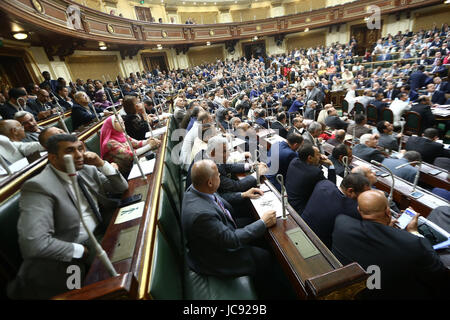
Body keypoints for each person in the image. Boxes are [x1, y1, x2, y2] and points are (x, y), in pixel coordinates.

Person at [7, 134, 128, 299]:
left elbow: (121, 186)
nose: (79, 155)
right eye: (70, 151)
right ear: (53, 157)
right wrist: (80, 251)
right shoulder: (38, 187)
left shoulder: (87, 169)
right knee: (125, 271)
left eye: (80, 148)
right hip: (71, 254)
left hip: (101, 231)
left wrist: (101, 163)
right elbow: (33, 244)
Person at [182, 159, 291, 299]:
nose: (220, 177)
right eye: (218, 176)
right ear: (210, 182)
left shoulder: (197, 189)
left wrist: (244, 194)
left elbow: (220, 199)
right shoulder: (201, 215)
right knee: (264, 257)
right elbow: (231, 240)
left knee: (256, 228)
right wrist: (263, 223)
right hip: (214, 258)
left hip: (221, 232)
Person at [331, 190, 449, 299]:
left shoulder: (341, 223)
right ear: (388, 212)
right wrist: (413, 232)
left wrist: (386, 229)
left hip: (356, 290)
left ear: (359, 210)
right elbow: (438, 273)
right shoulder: (413, 243)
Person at [301, 173, 370, 248]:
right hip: (320, 246)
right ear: (350, 191)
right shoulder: (353, 209)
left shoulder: (323, 184)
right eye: (364, 194)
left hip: (301, 228)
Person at [286, 144, 336, 214]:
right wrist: (331, 165)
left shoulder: (294, 161)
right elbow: (331, 187)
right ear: (309, 158)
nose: (320, 156)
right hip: (302, 210)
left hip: (289, 201)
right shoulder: (315, 173)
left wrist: (317, 160)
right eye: (318, 154)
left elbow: (310, 168)